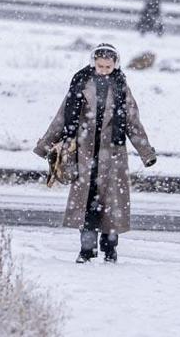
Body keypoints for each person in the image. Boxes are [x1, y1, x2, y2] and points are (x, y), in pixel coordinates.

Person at [35, 43, 158, 263]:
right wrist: (45, 144)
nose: (103, 70)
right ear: (94, 63)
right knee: (87, 203)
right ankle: (86, 249)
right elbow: (62, 117)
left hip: (113, 153)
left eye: (107, 67)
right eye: (100, 66)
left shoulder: (121, 86)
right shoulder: (81, 82)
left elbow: (132, 122)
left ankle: (110, 249)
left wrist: (146, 152)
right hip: (84, 152)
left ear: (115, 65)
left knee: (112, 204)